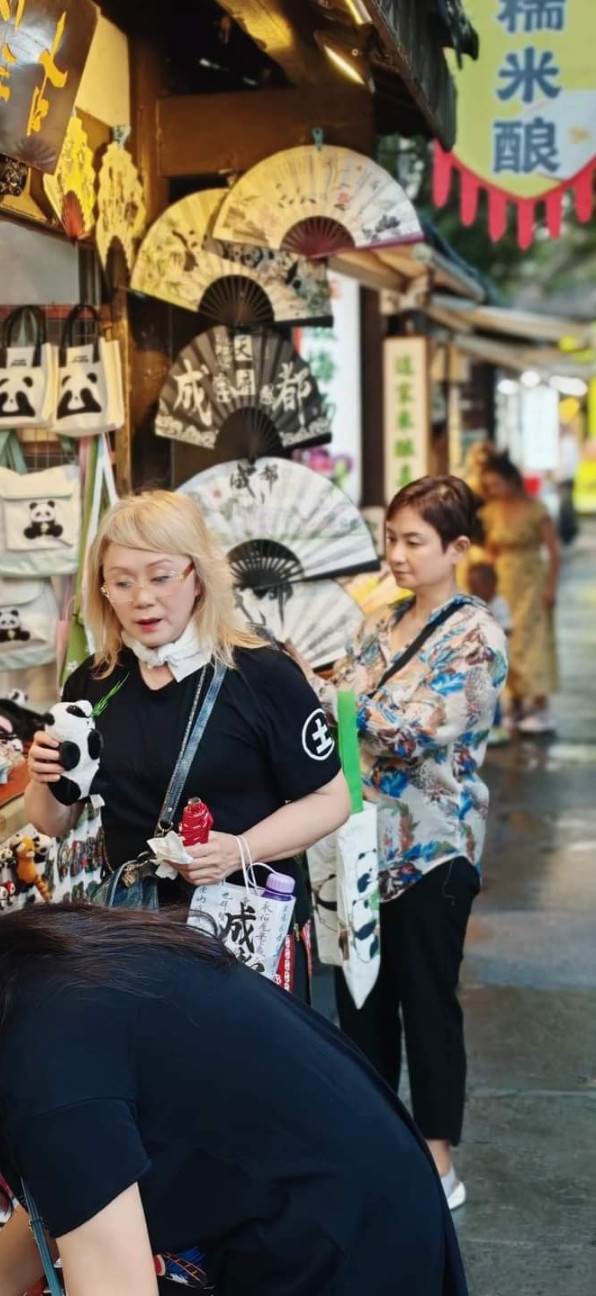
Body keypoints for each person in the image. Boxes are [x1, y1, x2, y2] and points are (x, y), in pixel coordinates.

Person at [0, 869, 470, 1296]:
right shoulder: (1, 986)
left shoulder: (41, 1056)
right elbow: (70, 1196)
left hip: (346, 1243)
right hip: (339, 1198)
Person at [25, 490, 351, 1000]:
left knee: (250, 1073)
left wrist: (240, 850)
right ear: (102, 589)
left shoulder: (262, 674)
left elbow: (332, 799)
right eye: (122, 582)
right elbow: (54, 821)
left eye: (160, 577)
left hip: (247, 926)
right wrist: (43, 775)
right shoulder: (94, 682)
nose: (143, 598)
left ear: (197, 576)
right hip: (137, 930)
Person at [287, 476, 508, 1213]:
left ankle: (438, 1161)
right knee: (361, 1004)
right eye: (392, 539)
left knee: (427, 1004)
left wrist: (317, 691)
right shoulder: (379, 622)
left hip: (434, 852)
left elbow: (408, 728)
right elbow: (348, 696)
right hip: (359, 850)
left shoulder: (476, 634)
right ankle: (379, 1145)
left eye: (416, 541)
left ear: (458, 548)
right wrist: (309, 681)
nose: (398, 554)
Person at [479, 453, 560, 735]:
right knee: (506, 639)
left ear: (512, 480)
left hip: (531, 580)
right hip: (502, 581)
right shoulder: (491, 512)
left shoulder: (536, 509)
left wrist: (550, 587)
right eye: (488, 486)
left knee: (534, 642)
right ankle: (516, 701)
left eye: (496, 484)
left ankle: (539, 704)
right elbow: (490, 550)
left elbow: (553, 552)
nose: (493, 491)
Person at [465, 561, 512, 747]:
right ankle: (477, 727)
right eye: (472, 587)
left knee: (493, 696)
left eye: (478, 587)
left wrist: (491, 635)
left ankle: (496, 726)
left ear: (492, 584)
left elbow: (508, 629)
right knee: (475, 694)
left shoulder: (499, 604)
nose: (475, 591)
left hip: (494, 660)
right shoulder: (472, 604)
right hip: (476, 660)